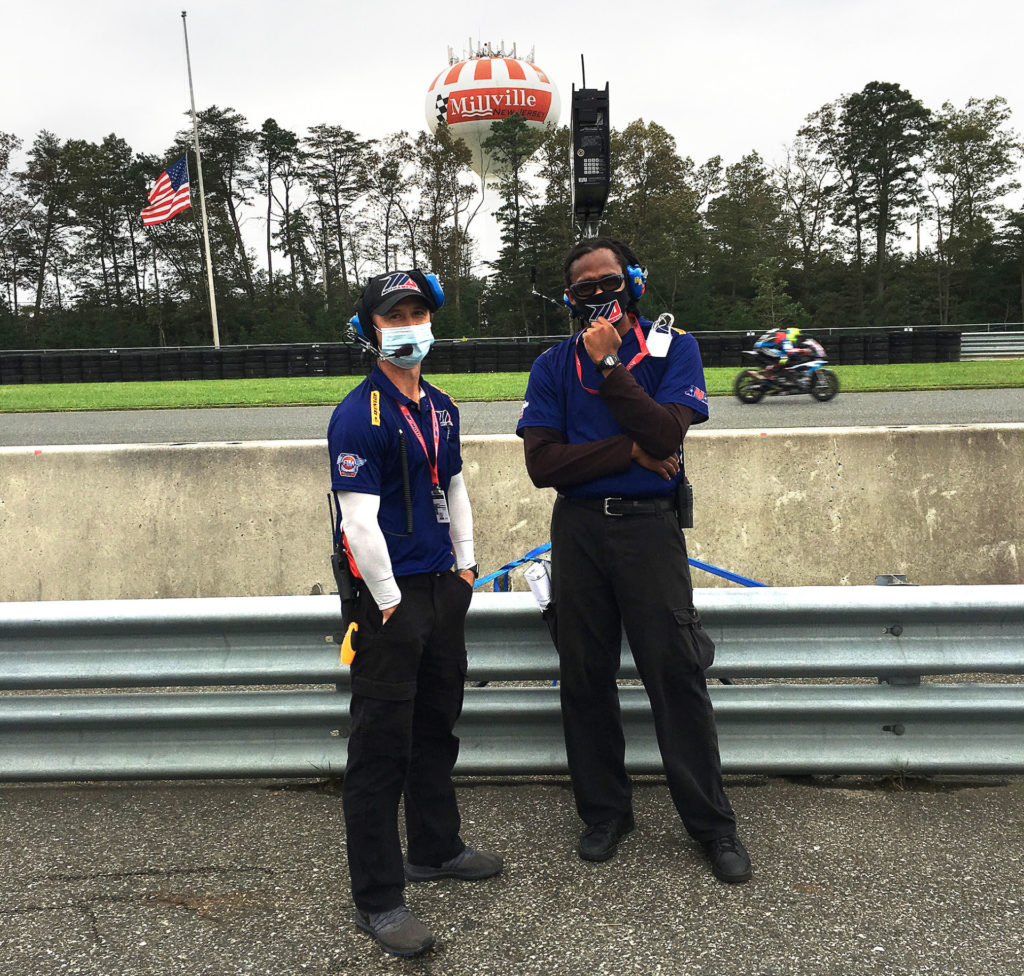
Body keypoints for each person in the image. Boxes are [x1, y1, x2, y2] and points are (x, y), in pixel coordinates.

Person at [516, 237, 752, 884]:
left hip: (650, 533)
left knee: (676, 678)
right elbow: (543, 465)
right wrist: (629, 455)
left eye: (610, 281)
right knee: (585, 677)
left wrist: (614, 368)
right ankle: (604, 813)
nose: (600, 295)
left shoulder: (677, 350)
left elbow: (667, 434)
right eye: (585, 286)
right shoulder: (552, 366)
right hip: (580, 533)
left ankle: (712, 825)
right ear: (570, 298)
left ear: (633, 283)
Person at [327, 270, 502, 958]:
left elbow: (454, 485)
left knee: (436, 727)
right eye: (394, 314)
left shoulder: (442, 406)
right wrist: (391, 600)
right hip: (386, 601)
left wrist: (466, 566)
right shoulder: (357, 413)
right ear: (371, 328)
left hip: (442, 590)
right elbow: (358, 521)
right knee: (379, 751)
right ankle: (378, 898)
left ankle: (435, 846)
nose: (409, 323)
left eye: (418, 311)